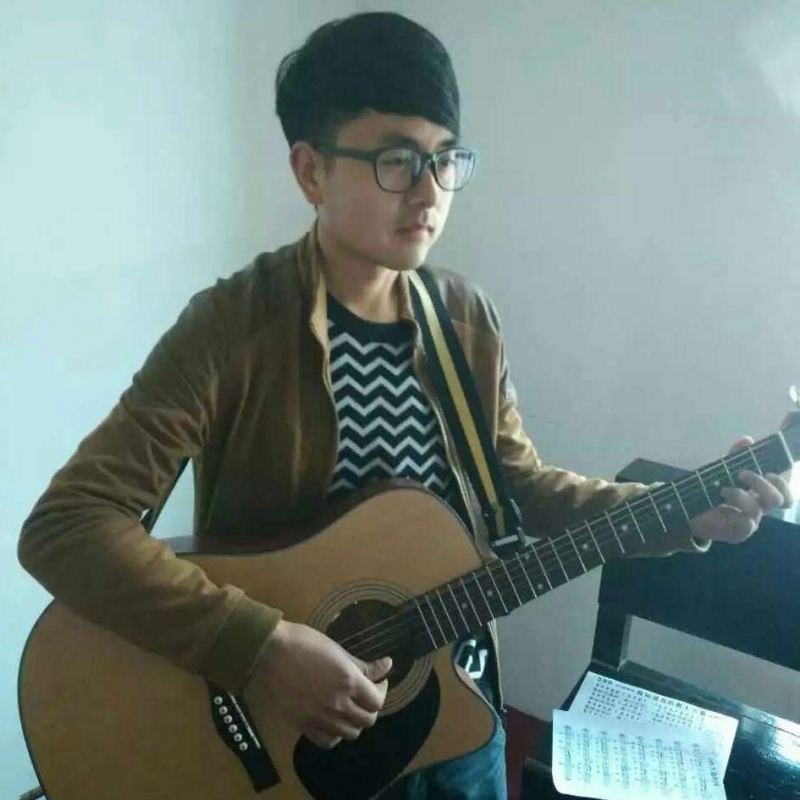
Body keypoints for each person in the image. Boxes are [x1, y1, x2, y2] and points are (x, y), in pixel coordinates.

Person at [18, 12, 792, 800]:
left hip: (455, 712)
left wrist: (685, 513)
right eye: (396, 161)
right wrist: (260, 646)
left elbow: (519, 490)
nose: (429, 193)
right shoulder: (230, 328)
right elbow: (67, 526)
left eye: (445, 160)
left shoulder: (465, 319)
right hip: (286, 737)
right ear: (310, 171)